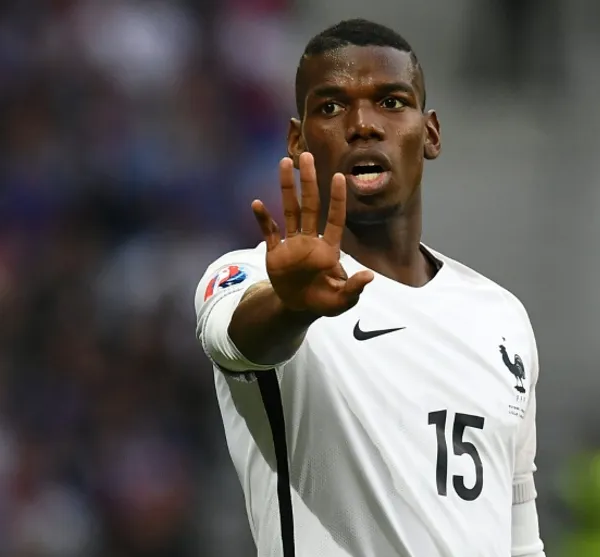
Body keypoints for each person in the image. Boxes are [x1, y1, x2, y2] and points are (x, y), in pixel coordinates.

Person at [194, 18, 545, 557]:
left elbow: (521, 539)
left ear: (430, 133)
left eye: (391, 102)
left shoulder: (501, 317)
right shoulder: (255, 278)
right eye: (332, 107)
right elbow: (236, 341)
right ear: (297, 140)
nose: (363, 125)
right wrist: (291, 307)